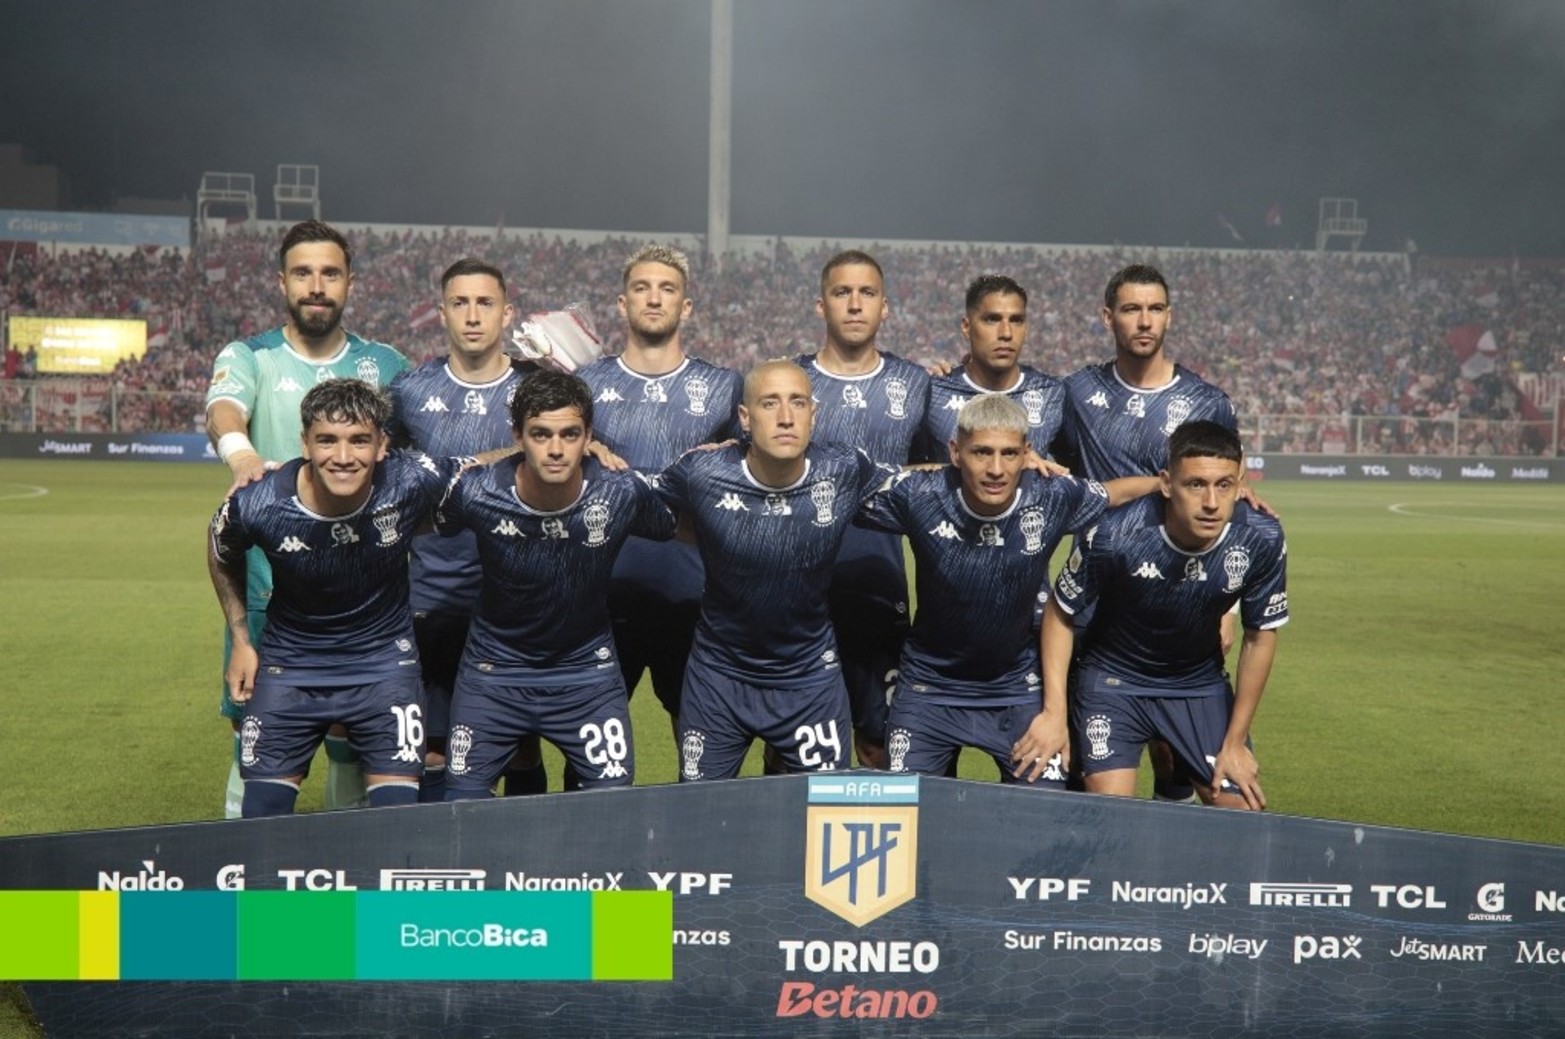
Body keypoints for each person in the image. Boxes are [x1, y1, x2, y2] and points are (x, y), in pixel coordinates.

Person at [205, 220, 410, 817]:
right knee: (254, 743)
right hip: (271, 594)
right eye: (303, 273)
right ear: (282, 281)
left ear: (349, 282)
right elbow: (223, 408)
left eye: (330, 273)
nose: (316, 286)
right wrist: (241, 454)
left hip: (365, 604)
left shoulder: (386, 363)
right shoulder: (252, 356)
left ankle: (339, 886)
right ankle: (244, 883)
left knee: (355, 746)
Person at [861, 394, 1155, 785]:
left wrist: (1174, 482)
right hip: (927, 688)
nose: (996, 469)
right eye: (981, 452)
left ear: (1027, 453)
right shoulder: (920, 494)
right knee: (908, 815)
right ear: (955, 451)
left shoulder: (1051, 496)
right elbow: (848, 482)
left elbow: (1119, 493)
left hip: (1016, 690)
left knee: (1044, 818)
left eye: (1009, 454)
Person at [208, 379, 463, 817]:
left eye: (359, 441)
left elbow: (492, 468)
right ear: (304, 443)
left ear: (382, 445)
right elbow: (219, 549)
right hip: (291, 667)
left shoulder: (410, 479)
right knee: (260, 822)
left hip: (385, 668)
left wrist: (582, 460)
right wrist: (241, 639)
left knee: (398, 821)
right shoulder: (259, 501)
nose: (343, 458)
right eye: (327, 440)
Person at [656, 360, 899, 781]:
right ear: (745, 419)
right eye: (770, 404)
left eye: (798, 403)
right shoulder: (700, 472)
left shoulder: (843, 469)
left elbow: (928, 487)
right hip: (719, 678)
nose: (786, 417)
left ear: (813, 415)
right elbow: (624, 495)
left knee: (822, 817)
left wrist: (1014, 470)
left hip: (809, 680)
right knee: (699, 817)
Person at [437, 371, 677, 798]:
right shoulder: (475, 492)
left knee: (612, 804)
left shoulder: (620, 492)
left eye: (570, 434)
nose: (554, 449)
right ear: (518, 436)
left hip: (587, 674)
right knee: (460, 804)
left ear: (589, 438)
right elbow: (414, 513)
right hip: (494, 672)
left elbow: (682, 522)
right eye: (540, 434)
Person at [1054, 263, 1239, 802]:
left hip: (1181, 597)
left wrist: (1226, 607)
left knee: (1178, 761)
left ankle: (1166, 855)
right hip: (1096, 601)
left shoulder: (1207, 402)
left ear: (1169, 316)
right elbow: (1034, 447)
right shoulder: (1077, 393)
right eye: (1132, 309)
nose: (1144, 320)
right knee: (1087, 775)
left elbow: (1226, 497)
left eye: (1155, 308)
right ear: (1108, 316)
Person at [1042, 421, 1288, 810]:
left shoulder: (1262, 537)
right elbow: (1060, 612)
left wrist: (1236, 742)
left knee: (1243, 813)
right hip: (1113, 681)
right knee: (1113, 817)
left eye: (1224, 485)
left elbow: (1260, 636)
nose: (1211, 502)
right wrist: (1055, 712)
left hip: (1196, 684)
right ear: (1167, 483)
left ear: (1240, 482)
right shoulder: (1114, 534)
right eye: (1195, 485)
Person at [385, 257, 547, 801]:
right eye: (460, 303)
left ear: (507, 312)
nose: (473, 316)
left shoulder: (539, 385)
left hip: (520, 600)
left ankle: (526, 872)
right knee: (434, 745)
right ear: (441, 313)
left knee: (523, 742)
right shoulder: (409, 391)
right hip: (436, 599)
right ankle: (435, 874)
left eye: (485, 303)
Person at [575, 245, 742, 767]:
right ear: (622, 304)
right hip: (602, 597)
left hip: (693, 598)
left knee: (698, 748)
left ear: (686, 307)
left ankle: (703, 845)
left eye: (668, 289)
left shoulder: (722, 387)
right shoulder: (587, 385)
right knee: (589, 752)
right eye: (643, 288)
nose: (654, 298)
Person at [795, 250, 930, 769]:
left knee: (879, 740)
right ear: (820, 305)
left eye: (867, 294)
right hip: (801, 589)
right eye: (841, 293)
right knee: (794, 746)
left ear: (885, 308)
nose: (854, 305)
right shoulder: (788, 384)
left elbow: (936, 472)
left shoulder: (916, 384)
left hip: (880, 583)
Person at [916, 275, 1065, 463]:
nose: (1006, 333)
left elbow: (1074, 470)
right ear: (966, 327)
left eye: (1016, 320)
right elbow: (908, 469)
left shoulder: (1053, 394)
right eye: (992, 319)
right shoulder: (933, 391)